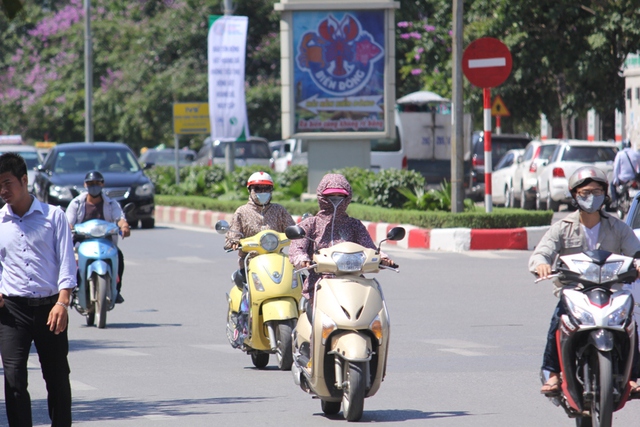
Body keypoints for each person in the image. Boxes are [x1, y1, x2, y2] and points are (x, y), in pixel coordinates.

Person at [529, 165, 640, 395]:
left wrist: (638, 263)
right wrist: (542, 264)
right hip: (575, 292)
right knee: (557, 318)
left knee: (630, 322)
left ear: (605, 195)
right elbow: (542, 252)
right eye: (585, 193)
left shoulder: (618, 228)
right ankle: (553, 373)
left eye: (597, 192)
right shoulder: (562, 228)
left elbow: (636, 252)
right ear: (574, 196)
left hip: (611, 291)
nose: (592, 198)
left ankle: (633, 375)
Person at [0, 152, 76, 427]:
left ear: (24, 179)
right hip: (12, 312)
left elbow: (67, 262)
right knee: (14, 379)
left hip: (50, 308)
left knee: (57, 380)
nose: (3, 191)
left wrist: (63, 303)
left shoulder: (53, 216)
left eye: (7, 183)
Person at [288, 173, 396, 307]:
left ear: (347, 197)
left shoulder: (354, 225)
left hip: (354, 282)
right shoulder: (311, 224)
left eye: (340, 196)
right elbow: (297, 248)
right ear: (322, 197)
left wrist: (383, 258)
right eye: (331, 196)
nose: (336, 200)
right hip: (318, 284)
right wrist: (302, 260)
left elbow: (370, 248)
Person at [223, 171, 295, 342]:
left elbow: (292, 229)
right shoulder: (242, 212)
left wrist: (299, 235)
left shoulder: (279, 210)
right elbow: (232, 234)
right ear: (250, 190)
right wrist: (234, 242)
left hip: (277, 262)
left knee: (300, 281)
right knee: (246, 291)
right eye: (258, 188)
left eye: (266, 188)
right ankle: (242, 326)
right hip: (251, 262)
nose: (262, 192)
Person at [66, 171, 130, 303]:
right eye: (90, 183)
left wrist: (124, 226)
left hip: (105, 242)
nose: (94, 186)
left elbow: (120, 218)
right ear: (85, 185)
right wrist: (69, 227)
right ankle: (74, 288)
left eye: (97, 183)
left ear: (102, 184)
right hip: (81, 241)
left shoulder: (111, 204)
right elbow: (69, 221)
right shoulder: (76, 203)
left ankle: (116, 289)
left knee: (119, 256)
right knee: (71, 260)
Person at [610, 139, 640, 205]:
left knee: (612, 185)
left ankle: (615, 202)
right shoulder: (636, 154)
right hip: (633, 179)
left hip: (623, 179)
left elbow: (616, 168)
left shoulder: (620, 154)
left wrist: (616, 180)